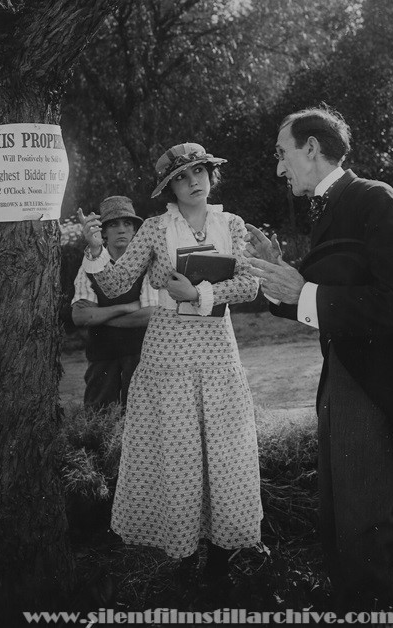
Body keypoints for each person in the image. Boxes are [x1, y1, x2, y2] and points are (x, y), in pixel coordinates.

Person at [245, 106, 393, 627]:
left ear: (312, 148)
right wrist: (286, 278)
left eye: (282, 153)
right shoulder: (332, 207)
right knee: (342, 531)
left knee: (364, 539)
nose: (278, 168)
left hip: (375, 391)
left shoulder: (375, 199)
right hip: (342, 380)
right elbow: (330, 296)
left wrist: (305, 289)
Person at [78, 143, 262, 583]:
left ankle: (220, 560)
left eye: (199, 171)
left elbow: (250, 285)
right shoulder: (157, 228)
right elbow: (118, 280)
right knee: (177, 455)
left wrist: (198, 294)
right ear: (170, 187)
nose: (193, 181)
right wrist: (93, 249)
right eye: (182, 177)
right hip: (167, 358)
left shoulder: (231, 223)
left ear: (209, 175)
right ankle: (183, 557)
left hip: (218, 355)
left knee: (223, 455)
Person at [71, 196, 157, 411]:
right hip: (102, 357)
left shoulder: (146, 265)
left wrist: (99, 315)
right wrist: (127, 307)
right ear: (103, 232)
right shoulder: (89, 266)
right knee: (99, 418)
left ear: (135, 231)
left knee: (142, 418)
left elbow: (150, 315)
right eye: (113, 224)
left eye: (127, 224)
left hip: (141, 355)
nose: (121, 230)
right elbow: (80, 316)